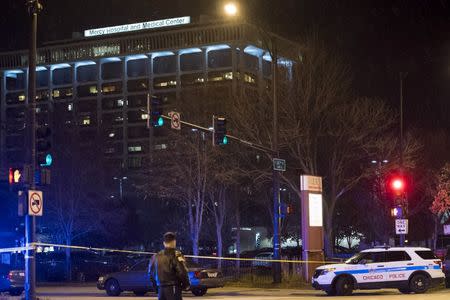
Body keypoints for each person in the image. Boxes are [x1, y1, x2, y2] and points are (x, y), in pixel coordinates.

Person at [149, 232, 190, 300]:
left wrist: (156, 288)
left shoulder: (155, 257)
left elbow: (150, 274)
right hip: (173, 288)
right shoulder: (176, 255)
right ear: (174, 242)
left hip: (161, 289)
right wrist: (186, 285)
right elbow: (182, 271)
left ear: (164, 243)